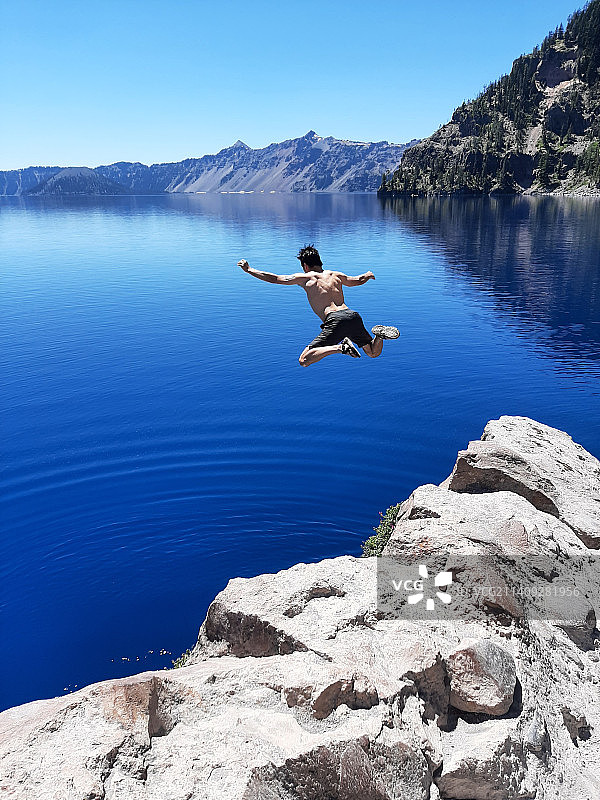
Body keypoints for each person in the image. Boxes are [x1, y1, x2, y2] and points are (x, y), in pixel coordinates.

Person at [238, 245, 399, 367]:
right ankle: (380, 335)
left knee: (304, 360)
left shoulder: (306, 277)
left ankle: (341, 348)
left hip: (335, 320)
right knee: (372, 352)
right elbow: (356, 280)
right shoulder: (336, 275)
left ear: (305, 266)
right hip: (352, 316)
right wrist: (367, 275)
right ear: (319, 262)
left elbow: (275, 278)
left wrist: (249, 269)